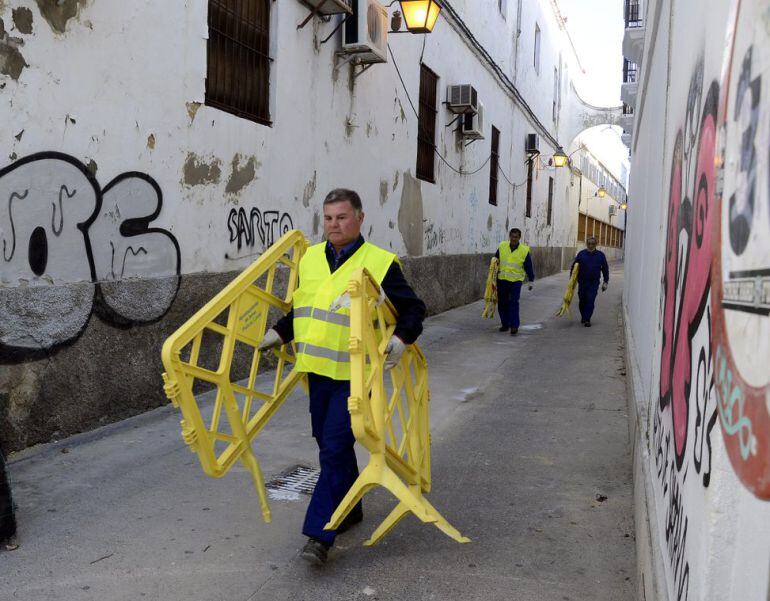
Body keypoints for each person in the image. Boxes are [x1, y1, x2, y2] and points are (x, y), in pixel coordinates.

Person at [258, 189, 426, 565]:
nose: (334, 224)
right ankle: (351, 510)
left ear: (360, 218)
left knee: (334, 447)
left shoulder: (379, 263)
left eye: (342, 217)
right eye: (329, 217)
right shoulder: (311, 258)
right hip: (317, 372)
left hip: (356, 374)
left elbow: (414, 308)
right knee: (328, 444)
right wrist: (282, 331)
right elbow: (305, 307)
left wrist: (401, 338)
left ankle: (320, 535)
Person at [494, 228, 535, 335]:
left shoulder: (524, 250)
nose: (514, 239)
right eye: (512, 236)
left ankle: (514, 326)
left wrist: (531, 280)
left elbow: (528, 266)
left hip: (516, 281)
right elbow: (495, 261)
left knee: (513, 303)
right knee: (502, 303)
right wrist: (492, 277)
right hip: (502, 280)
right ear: (509, 236)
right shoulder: (502, 246)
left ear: (519, 238)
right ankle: (505, 324)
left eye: (516, 237)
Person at [571, 236, 609, 327]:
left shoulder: (600, 255)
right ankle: (583, 316)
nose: (591, 245)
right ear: (586, 244)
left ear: (596, 244)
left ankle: (587, 319)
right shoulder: (581, 254)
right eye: (589, 243)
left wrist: (605, 282)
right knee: (582, 300)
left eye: (593, 243)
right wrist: (571, 281)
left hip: (594, 283)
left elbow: (605, 269)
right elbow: (574, 267)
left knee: (590, 300)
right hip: (582, 282)